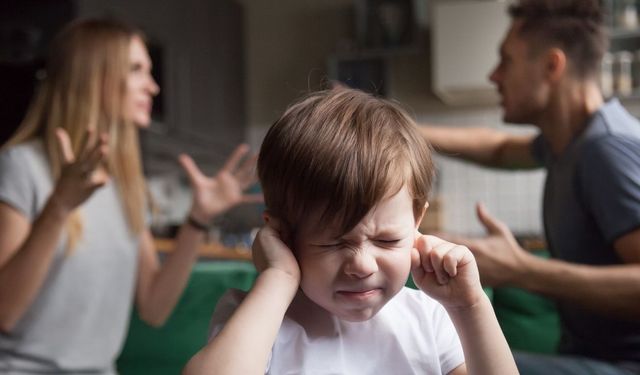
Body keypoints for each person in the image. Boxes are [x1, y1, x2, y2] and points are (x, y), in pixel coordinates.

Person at [182, 88, 518, 374]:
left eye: (387, 240)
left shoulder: (428, 317)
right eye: (333, 243)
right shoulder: (258, 319)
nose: (362, 265)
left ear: (417, 222)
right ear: (282, 236)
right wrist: (279, 278)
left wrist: (470, 307)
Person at [0, 18, 261, 374]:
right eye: (137, 70)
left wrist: (198, 219)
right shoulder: (21, 166)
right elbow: (5, 312)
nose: (152, 87)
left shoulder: (125, 181)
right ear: (94, 77)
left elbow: (154, 307)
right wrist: (59, 207)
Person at [419, 0, 640, 374]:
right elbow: (499, 147)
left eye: (506, 61)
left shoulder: (604, 150)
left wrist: (519, 270)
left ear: (552, 66)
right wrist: (395, 127)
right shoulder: (570, 141)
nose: (494, 76)